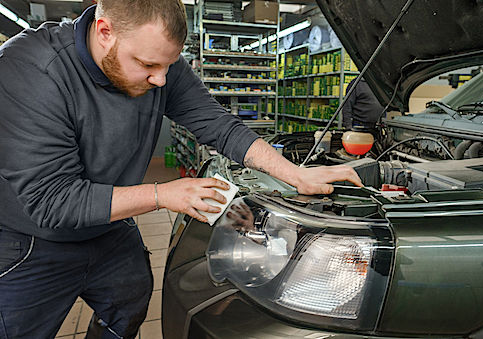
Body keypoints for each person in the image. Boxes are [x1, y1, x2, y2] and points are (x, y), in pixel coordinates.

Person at [0, 0, 362, 338]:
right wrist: (162, 194)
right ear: (104, 31)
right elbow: (52, 202)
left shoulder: (159, 64)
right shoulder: (30, 69)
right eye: (147, 65)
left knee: (129, 301)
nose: (160, 80)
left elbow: (219, 125)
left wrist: (295, 173)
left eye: (168, 66)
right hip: (32, 240)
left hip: (107, 226)